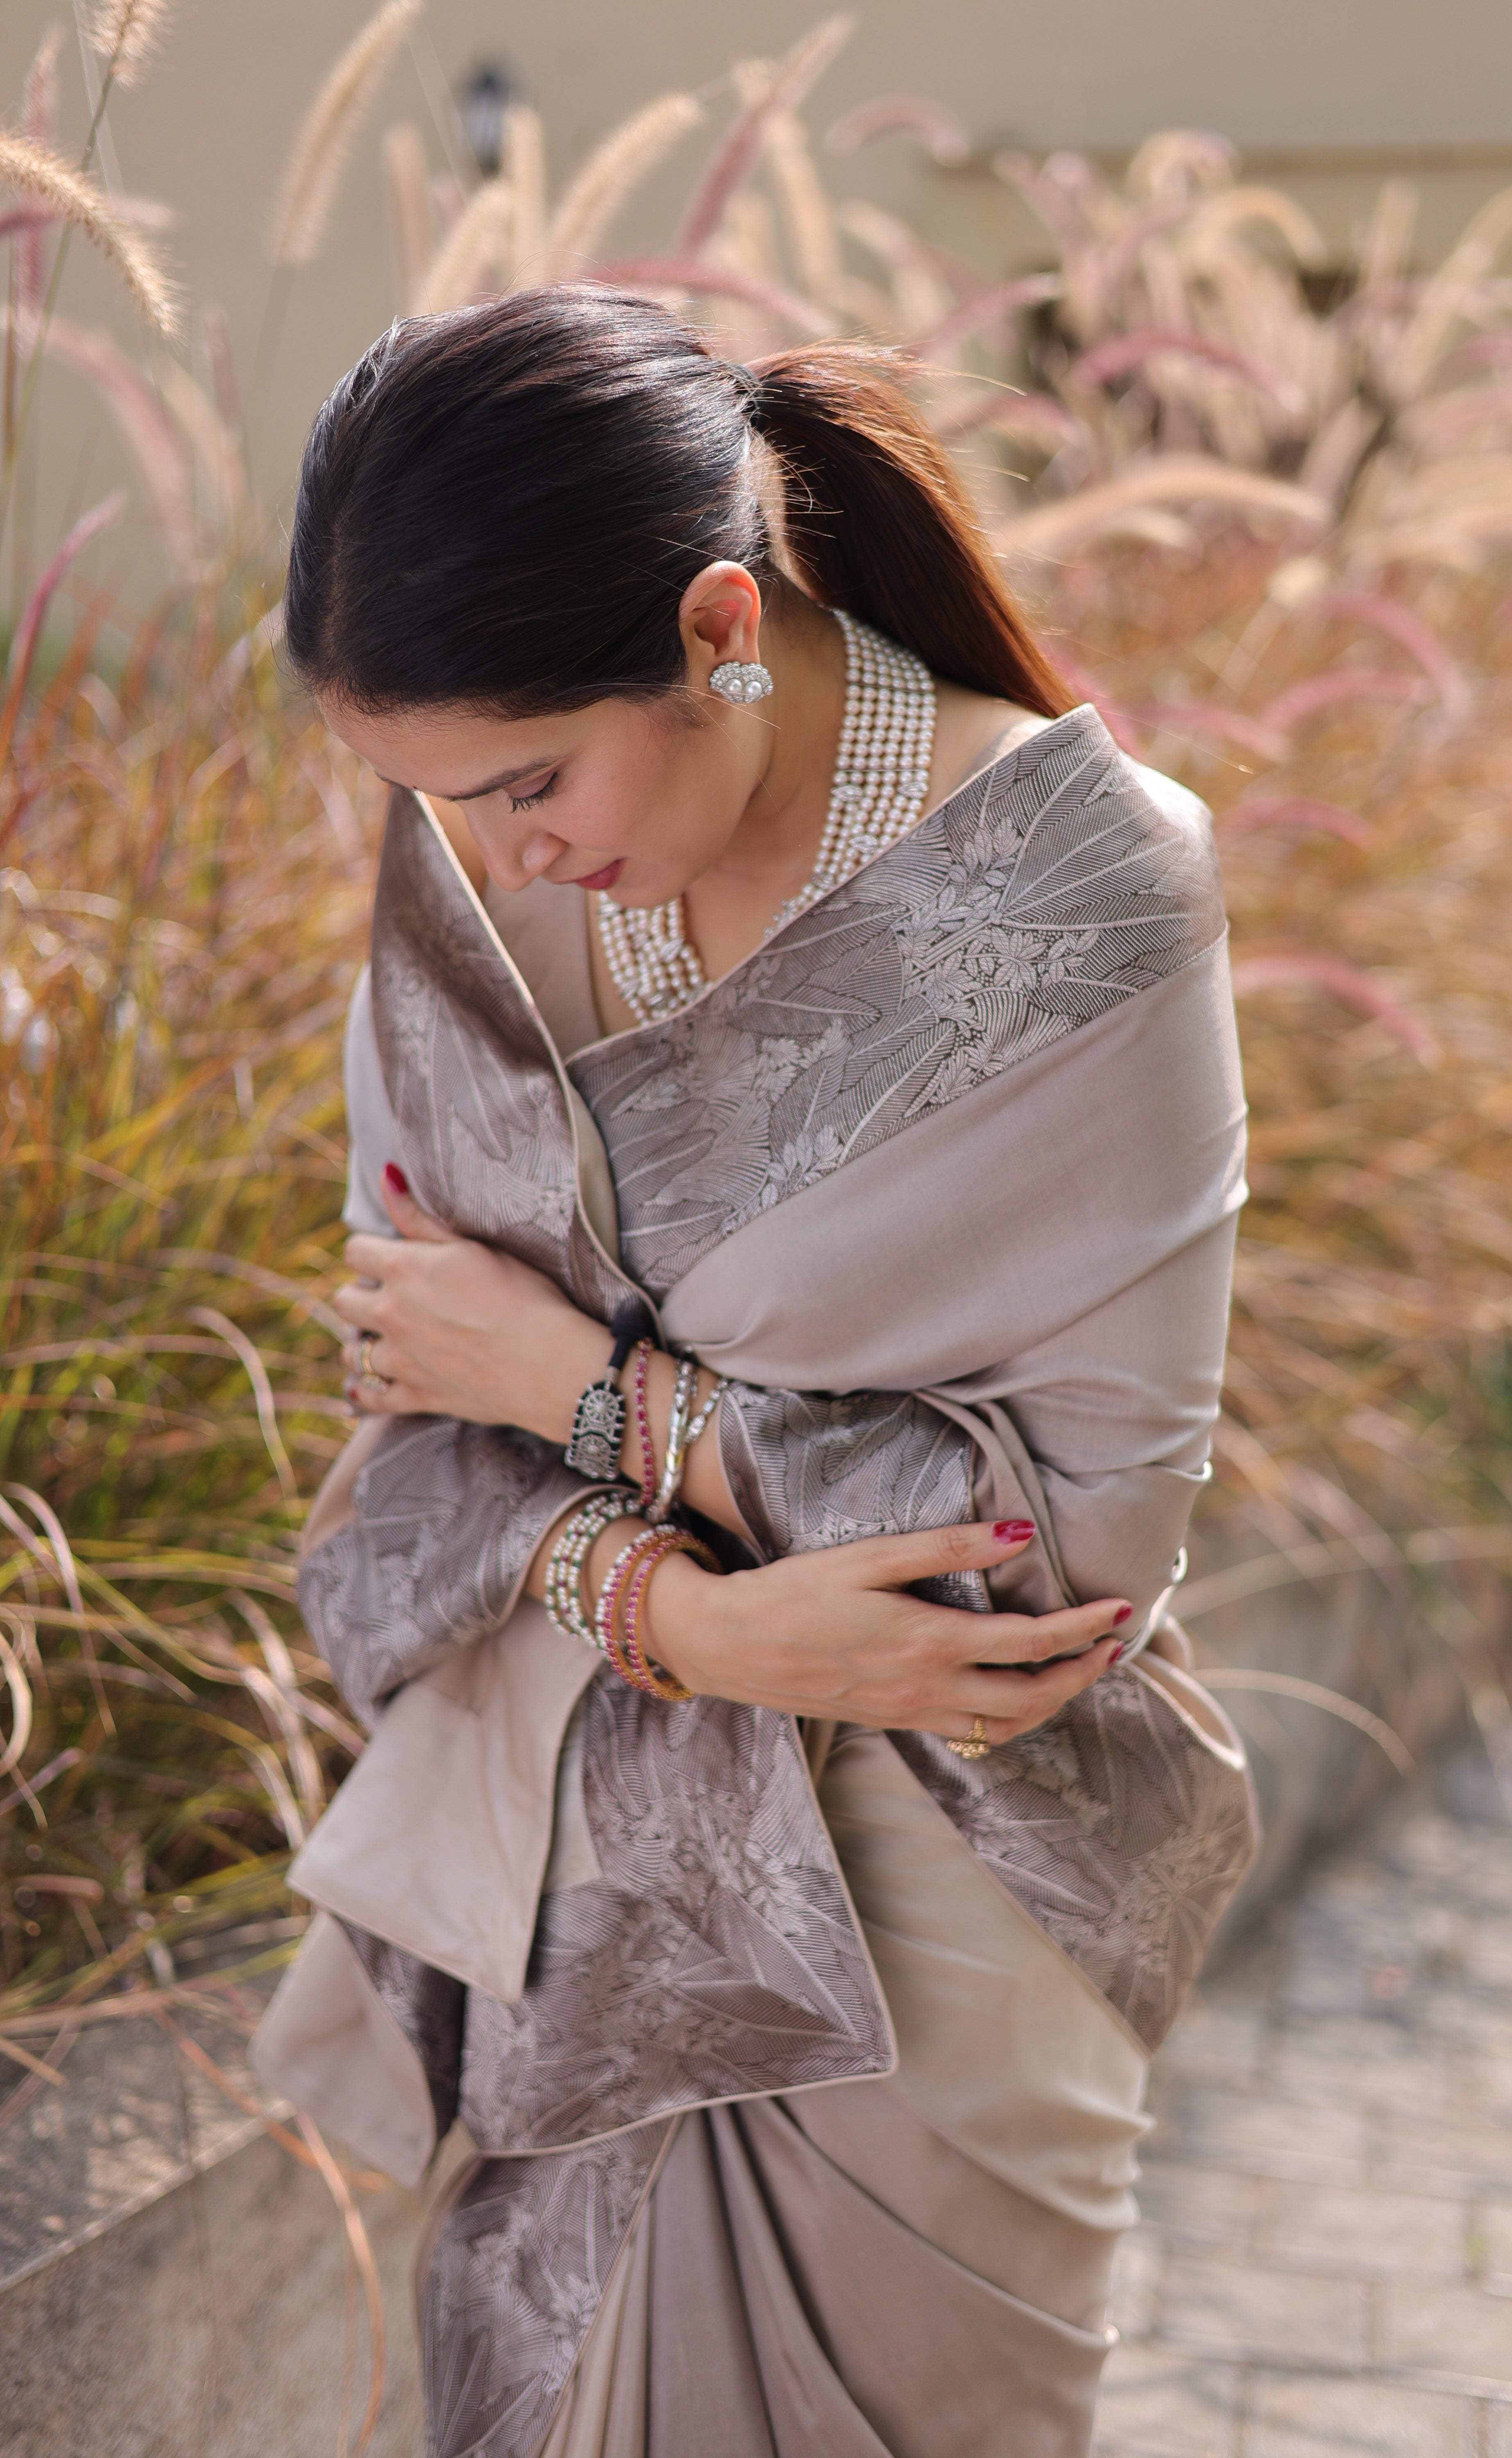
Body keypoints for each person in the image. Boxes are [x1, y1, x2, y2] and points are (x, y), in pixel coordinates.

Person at [252, 286, 1256, 2458]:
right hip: (579, 1876)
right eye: (437, 799)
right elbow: (419, 1404)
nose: (500, 849)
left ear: (723, 623)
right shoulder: (476, 874)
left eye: (530, 778)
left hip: (947, 1886)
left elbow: (1055, 1560)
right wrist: (687, 1612)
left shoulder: (1082, 899)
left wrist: (595, 1398)